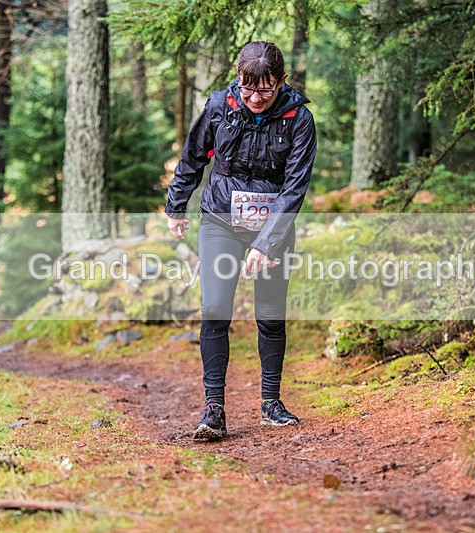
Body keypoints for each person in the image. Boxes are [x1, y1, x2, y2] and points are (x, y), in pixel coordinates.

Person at [165, 41, 317, 440]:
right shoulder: (220, 107)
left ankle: (271, 403)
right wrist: (176, 205)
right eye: (247, 89)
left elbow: (294, 188)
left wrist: (266, 242)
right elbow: (193, 158)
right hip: (220, 221)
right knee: (215, 308)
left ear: (281, 82)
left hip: (275, 227)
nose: (254, 98)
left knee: (270, 315)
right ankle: (213, 409)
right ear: (238, 80)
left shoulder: (299, 120)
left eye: (264, 90)